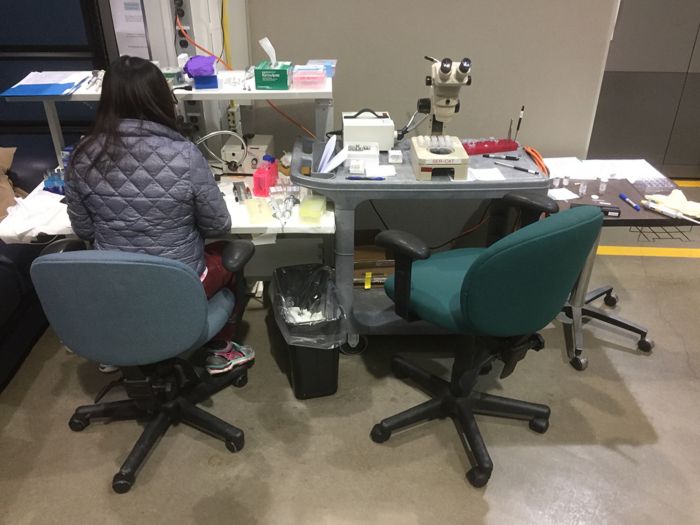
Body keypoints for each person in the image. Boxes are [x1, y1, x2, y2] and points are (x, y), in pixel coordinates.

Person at [64, 56, 253, 375]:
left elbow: (82, 228)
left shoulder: (82, 154)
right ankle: (220, 349)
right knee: (228, 257)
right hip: (177, 284)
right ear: (162, 99)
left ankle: (117, 348)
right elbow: (218, 224)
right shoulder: (184, 154)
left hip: (115, 285)